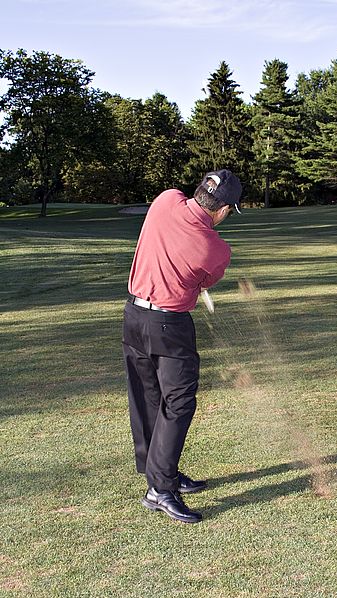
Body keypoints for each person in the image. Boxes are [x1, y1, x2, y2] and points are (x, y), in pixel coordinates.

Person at [122, 169, 242, 524]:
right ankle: (160, 489)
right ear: (223, 210)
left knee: (148, 396)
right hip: (169, 326)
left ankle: (161, 472)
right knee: (178, 402)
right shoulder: (217, 249)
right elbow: (201, 283)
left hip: (133, 316)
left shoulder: (165, 199)